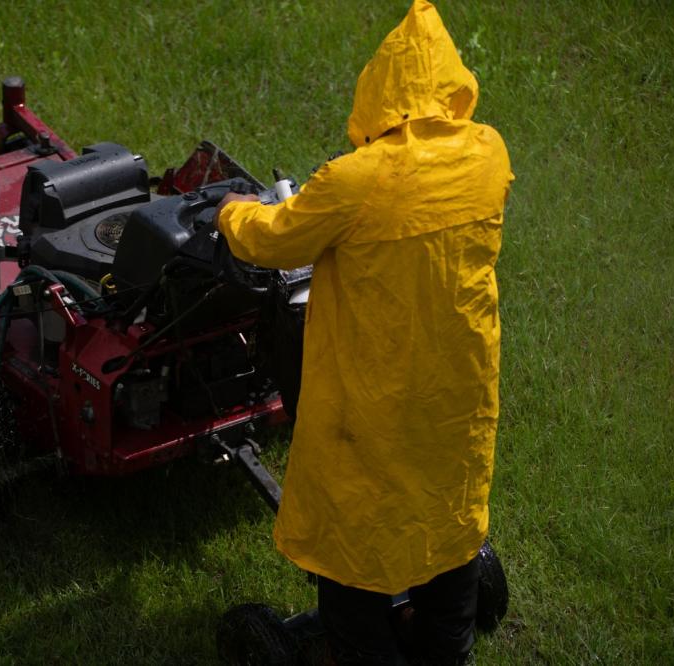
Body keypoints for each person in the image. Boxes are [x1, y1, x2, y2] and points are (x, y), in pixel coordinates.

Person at [214, 1, 513, 664]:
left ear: (382, 88)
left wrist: (229, 212)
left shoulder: (357, 182)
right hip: (458, 397)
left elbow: (274, 238)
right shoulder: (490, 155)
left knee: (356, 537)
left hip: (375, 408)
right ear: (451, 85)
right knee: (448, 518)